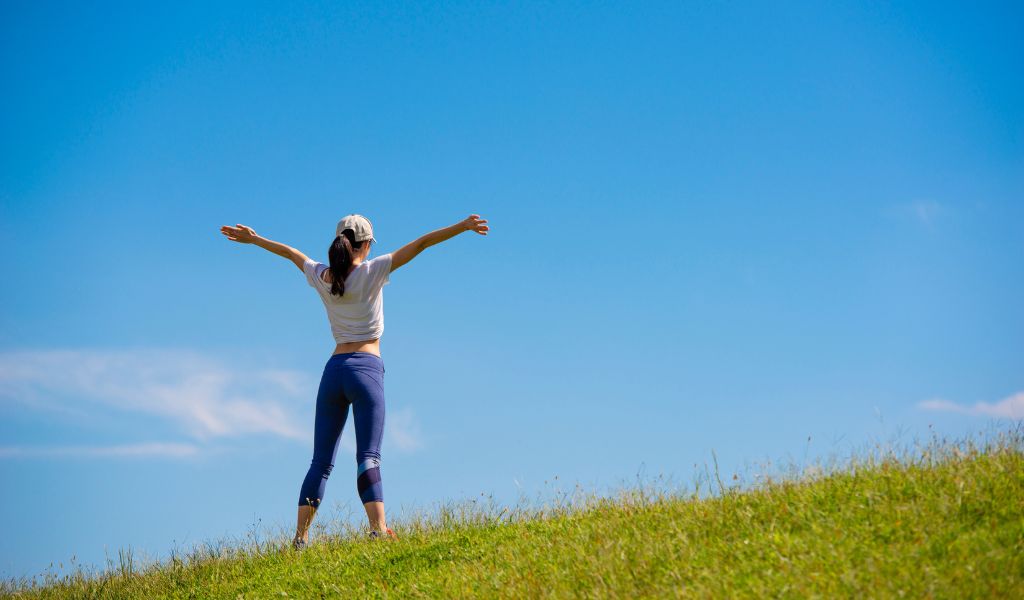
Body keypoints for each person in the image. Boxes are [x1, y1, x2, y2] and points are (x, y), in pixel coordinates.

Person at [219, 213, 489, 549]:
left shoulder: (323, 276)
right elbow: (421, 244)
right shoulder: (373, 271)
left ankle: (300, 538)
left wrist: (255, 240)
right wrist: (461, 227)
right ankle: (378, 529)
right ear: (363, 245)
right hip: (366, 369)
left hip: (333, 371)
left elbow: (292, 254)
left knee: (320, 461)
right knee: (368, 456)